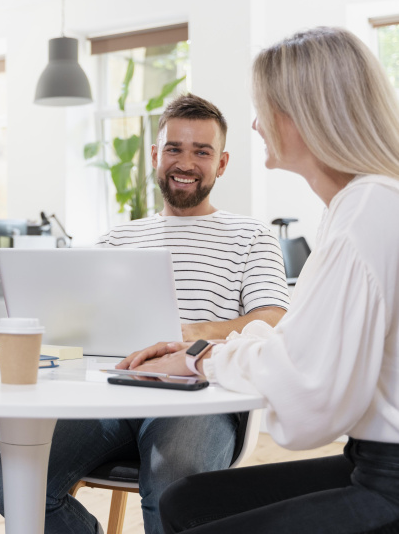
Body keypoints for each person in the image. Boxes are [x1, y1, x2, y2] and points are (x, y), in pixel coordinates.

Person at [0, 93, 291, 534]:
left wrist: (186, 333)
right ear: (155, 156)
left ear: (221, 164)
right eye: (174, 149)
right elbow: (80, 320)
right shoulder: (119, 238)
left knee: (174, 480)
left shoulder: (250, 235)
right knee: (7, 480)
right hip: (112, 394)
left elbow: (273, 318)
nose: (185, 162)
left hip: (199, 397)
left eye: (201, 152)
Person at [134, 28, 399, 533]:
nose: (255, 124)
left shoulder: (367, 213)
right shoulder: (362, 204)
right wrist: (208, 354)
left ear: (306, 115)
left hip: (389, 480)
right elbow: (298, 341)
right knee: (185, 503)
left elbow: (310, 404)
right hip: (371, 459)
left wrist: (202, 356)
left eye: (265, 108)